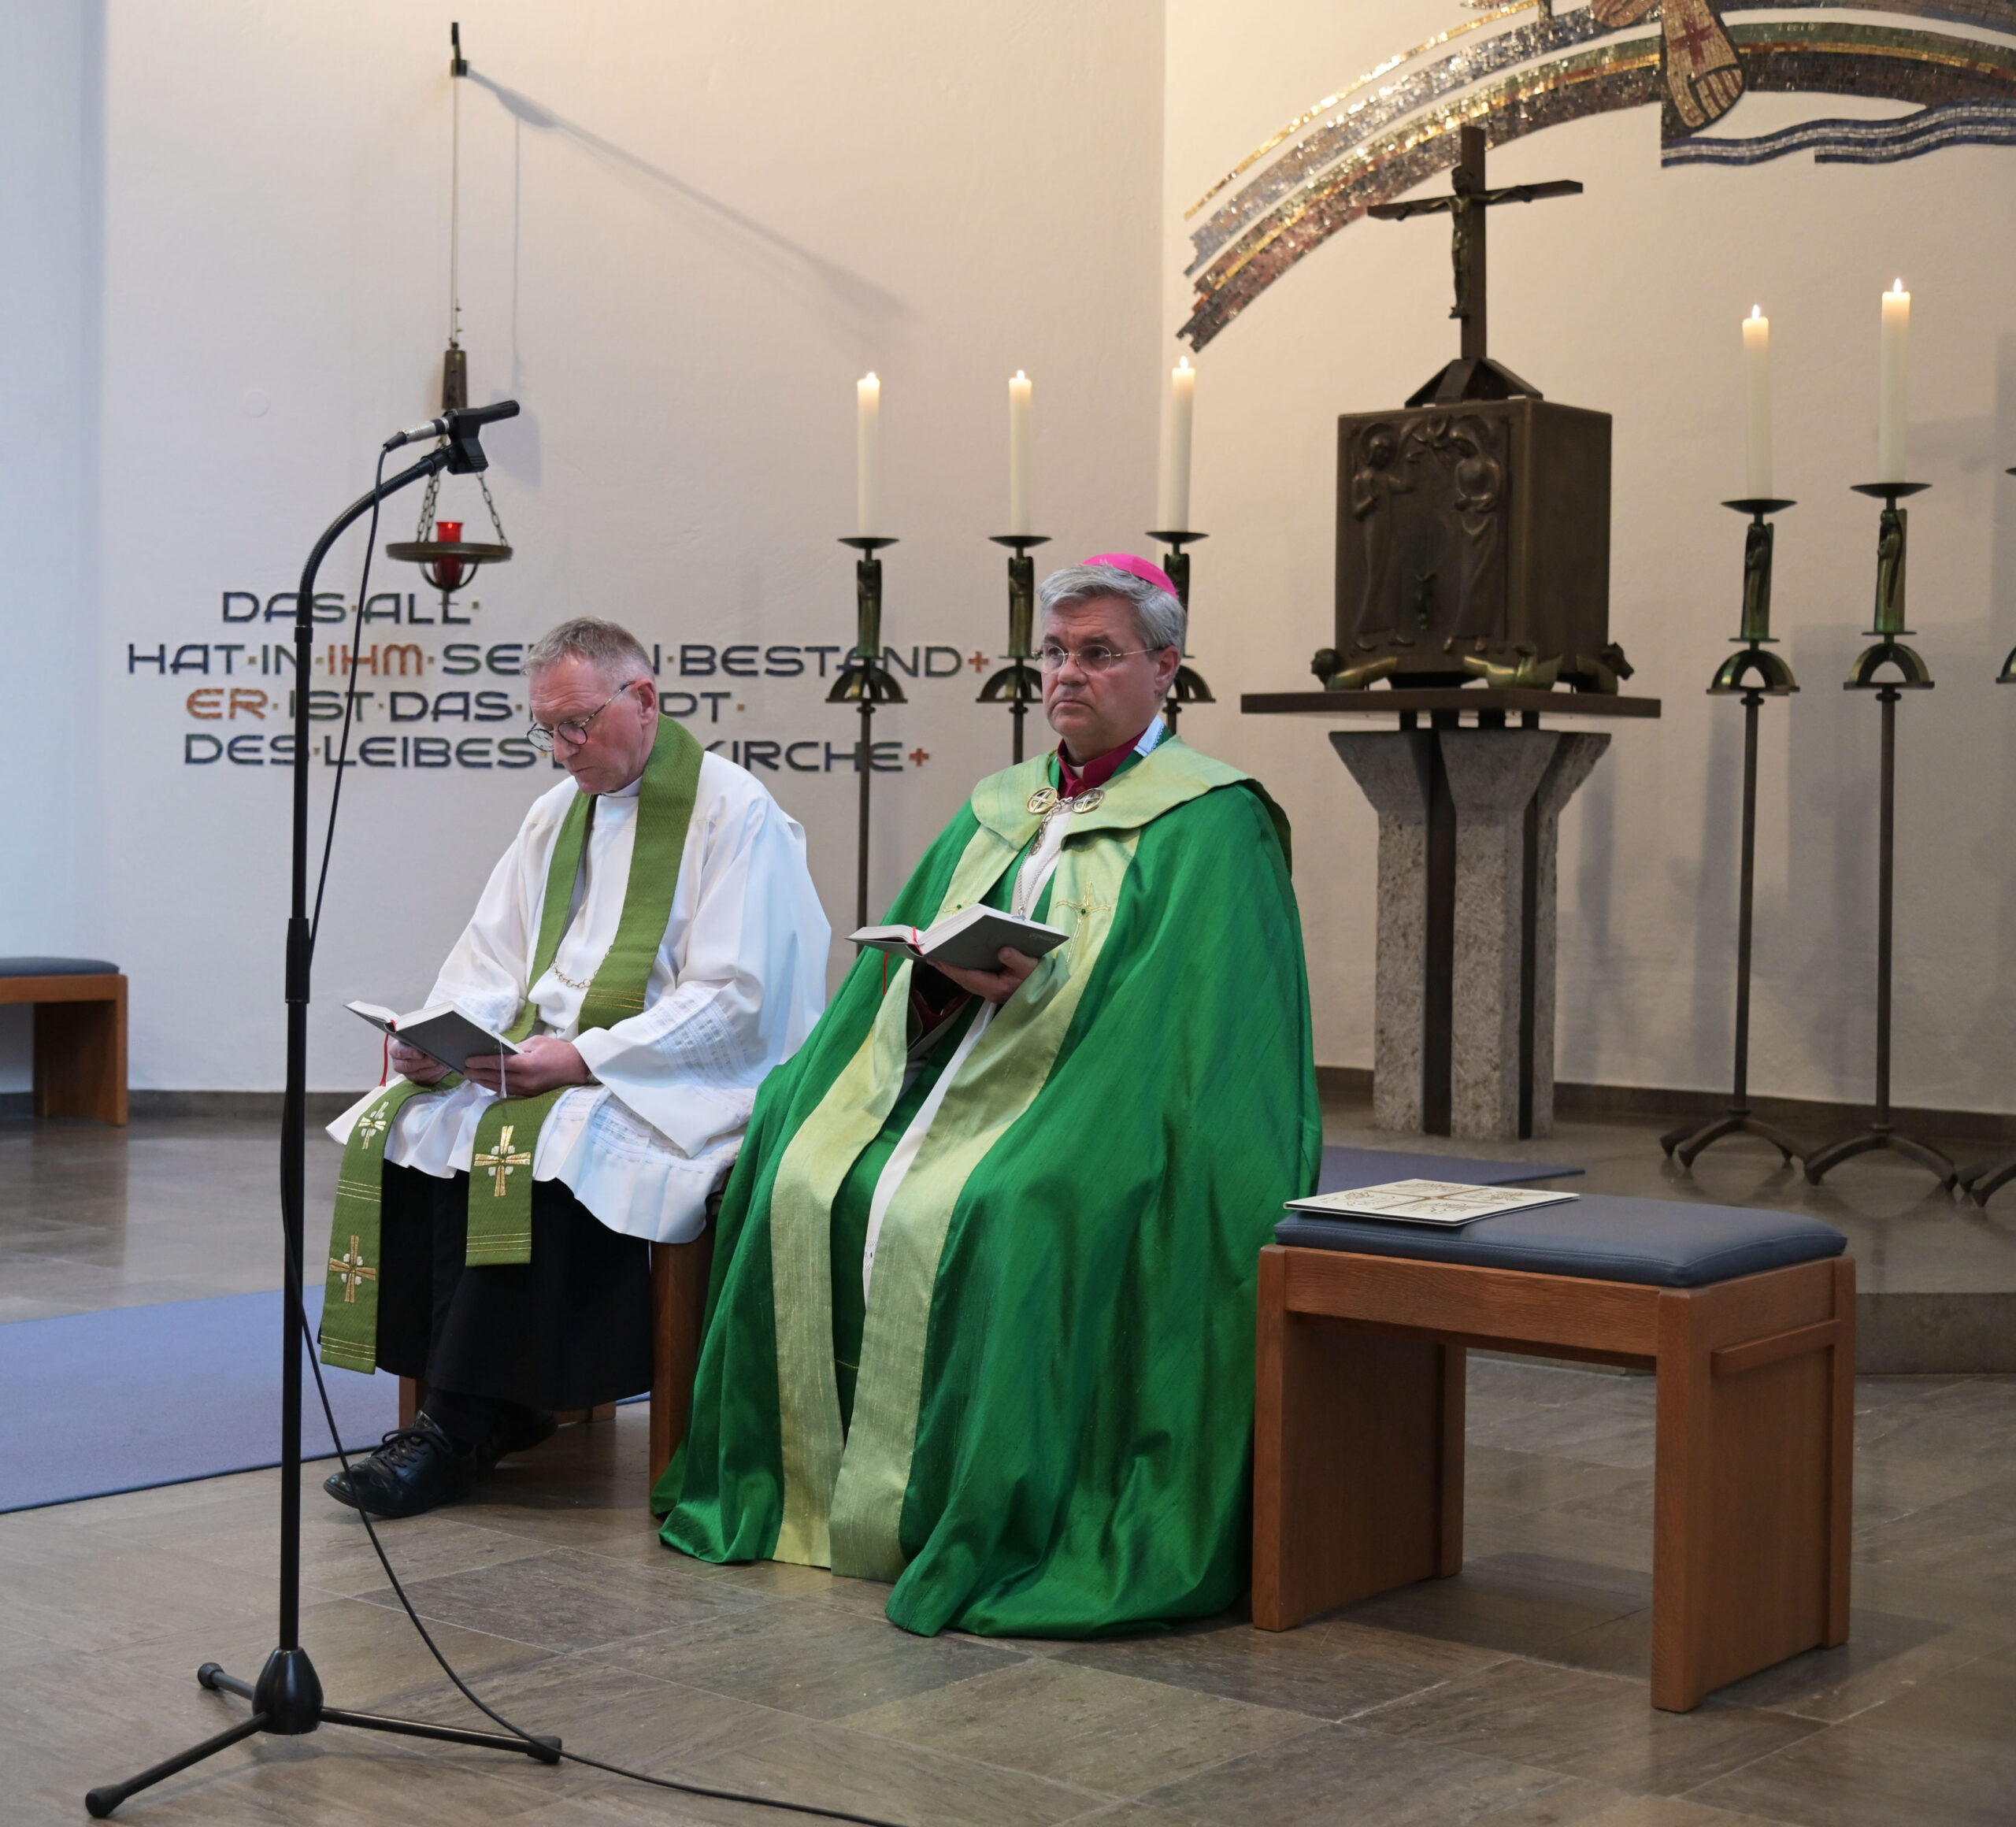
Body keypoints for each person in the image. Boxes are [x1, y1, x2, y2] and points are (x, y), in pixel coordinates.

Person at [656, 556, 1319, 1637]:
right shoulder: (1004, 807)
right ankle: (806, 1494)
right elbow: (898, 972)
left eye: (1097, 653)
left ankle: (975, 1510)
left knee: (1013, 1206)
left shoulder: (1212, 820)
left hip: (1110, 1102)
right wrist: (938, 978)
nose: (1066, 674)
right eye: (1053, 653)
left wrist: (1051, 1018)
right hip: (954, 1078)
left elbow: (1192, 1020)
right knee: (803, 1167)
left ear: (1165, 668)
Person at [318, 616, 830, 1518]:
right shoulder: (555, 815)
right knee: (412, 1120)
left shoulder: (735, 813)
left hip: (674, 1078)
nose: (560, 751)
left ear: (644, 699)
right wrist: (441, 1039)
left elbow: (738, 994)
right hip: (550, 1059)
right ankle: (495, 1400)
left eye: (576, 725)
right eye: (546, 730)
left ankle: (457, 1426)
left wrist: (586, 1057)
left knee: (548, 1138)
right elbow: (492, 960)